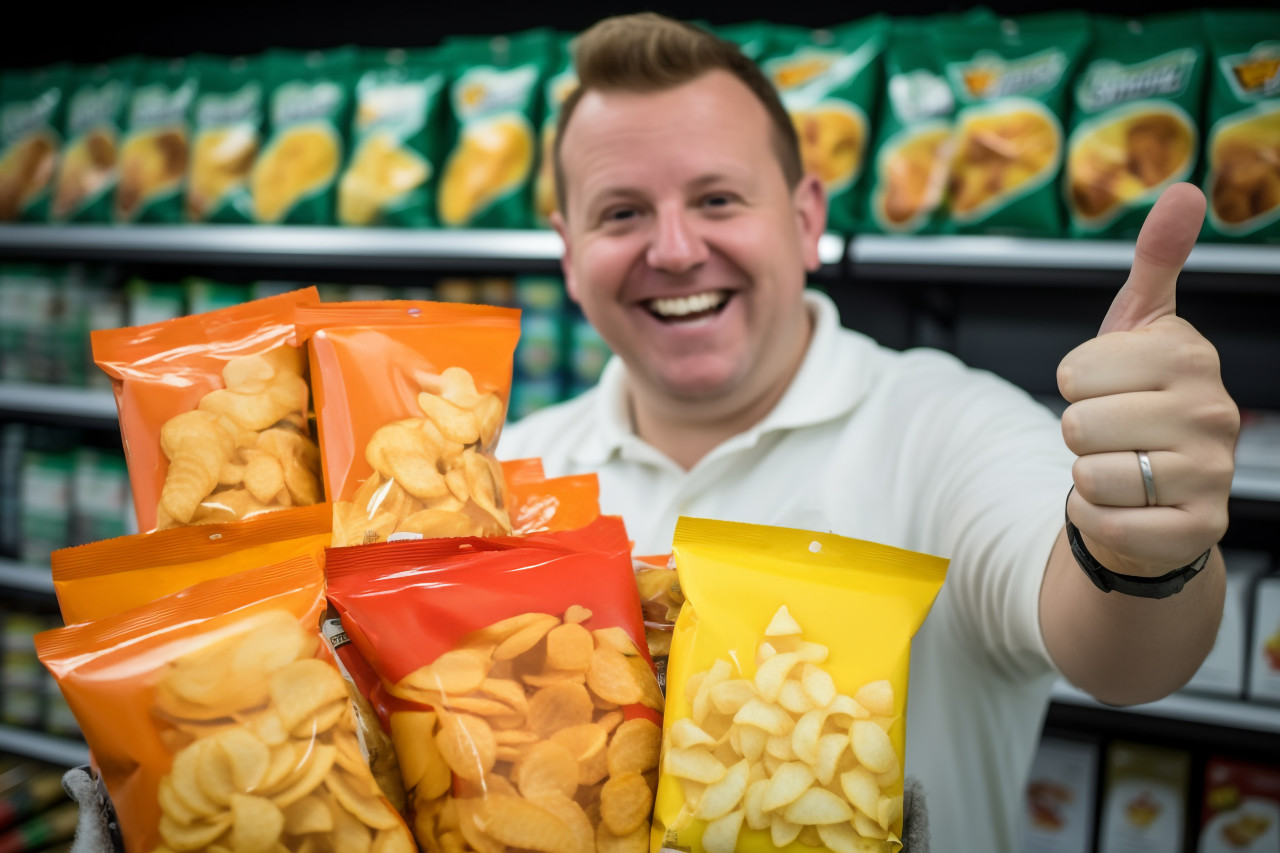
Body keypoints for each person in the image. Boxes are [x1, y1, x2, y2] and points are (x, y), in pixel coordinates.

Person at [497, 12, 1238, 852]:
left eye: (717, 199)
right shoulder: (508, 474)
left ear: (807, 216)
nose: (673, 249)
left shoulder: (949, 427)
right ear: (568, 252)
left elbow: (1125, 658)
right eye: (622, 212)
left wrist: (1143, 549)